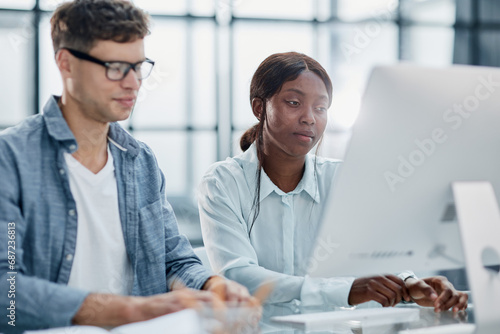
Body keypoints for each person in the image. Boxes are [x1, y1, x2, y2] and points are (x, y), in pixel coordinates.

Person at [0, 0, 254, 332]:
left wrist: (210, 286)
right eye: (116, 67)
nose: (134, 83)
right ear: (67, 64)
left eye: (138, 66)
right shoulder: (11, 159)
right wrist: (130, 310)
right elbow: (8, 293)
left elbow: (174, 260)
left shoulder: (141, 161)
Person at [198, 52, 469, 312]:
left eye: (320, 108)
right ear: (260, 108)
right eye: (294, 103)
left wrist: (410, 284)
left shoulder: (341, 179)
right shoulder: (223, 182)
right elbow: (238, 276)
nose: (309, 118)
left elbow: (371, 253)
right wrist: (345, 290)